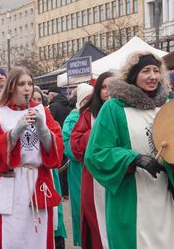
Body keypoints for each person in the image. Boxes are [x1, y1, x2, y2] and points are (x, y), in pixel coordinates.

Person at [84, 52, 174, 249]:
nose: (152, 76)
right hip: (130, 197)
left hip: (162, 196)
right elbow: (97, 153)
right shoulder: (113, 108)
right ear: (133, 75)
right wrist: (133, 160)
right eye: (145, 71)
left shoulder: (166, 106)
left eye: (156, 71)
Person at [0, 66, 64, 249]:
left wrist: (43, 129)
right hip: (11, 183)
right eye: (21, 84)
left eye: (30, 84)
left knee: (38, 237)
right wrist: (14, 132)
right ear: (11, 87)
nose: (27, 88)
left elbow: (57, 149)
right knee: (13, 236)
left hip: (37, 181)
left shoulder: (42, 111)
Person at [70, 72, 116, 249]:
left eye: (111, 86)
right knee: (98, 225)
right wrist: (97, 129)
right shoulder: (89, 115)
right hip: (94, 178)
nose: (107, 91)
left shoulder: (126, 111)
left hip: (121, 177)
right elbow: (76, 147)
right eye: (103, 87)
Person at [32, 86, 67, 249]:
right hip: (30, 176)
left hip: (49, 173)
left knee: (53, 212)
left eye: (40, 100)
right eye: (34, 99)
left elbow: (58, 148)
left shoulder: (49, 120)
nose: (36, 103)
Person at [62, 83, 94, 247]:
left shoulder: (99, 115)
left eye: (91, 98)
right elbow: (69, 148)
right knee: (83, 209)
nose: (89, 102)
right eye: (86, 99)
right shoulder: (73, 118)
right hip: (79, 171)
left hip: (97, 171)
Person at [47, 86, 73, 199]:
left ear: (51, 95)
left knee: (59, 166)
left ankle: (60, 192)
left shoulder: (53, 106)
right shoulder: (67, 105)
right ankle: (66, 192)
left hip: (57, 139)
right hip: (67, 140)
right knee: (65, 165)